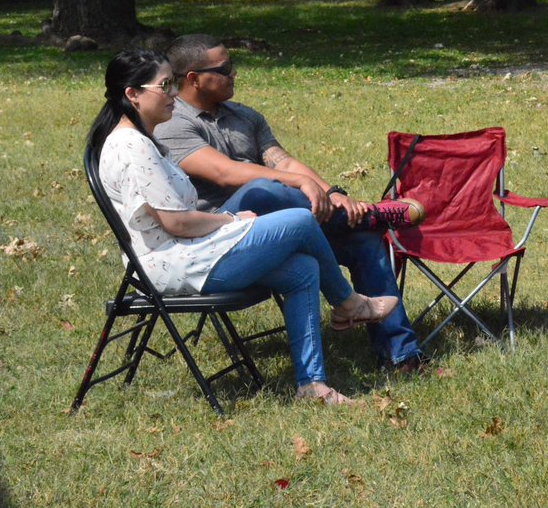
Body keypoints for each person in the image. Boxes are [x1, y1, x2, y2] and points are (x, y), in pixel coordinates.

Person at [90, 49, 399, 406]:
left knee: (302, 269)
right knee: (298, 220)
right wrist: (232, 220)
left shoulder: (143, 140)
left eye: (173, 84)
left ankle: (312, 386)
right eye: (165, 86)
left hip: (190, 252)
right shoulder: (131, 147)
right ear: (133, 93)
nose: (174, 93)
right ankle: (348, 303)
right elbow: (176, 222)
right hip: (174, 264)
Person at [153, 34, 424, 374]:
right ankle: (370, 217)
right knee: (263, 190)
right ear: (193, 78)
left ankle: (401, 357)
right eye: (225, 68)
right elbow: (224, 173)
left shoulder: (245, 117)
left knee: (363, 241)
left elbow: (284, 162)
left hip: (280, 226)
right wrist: (300, 184)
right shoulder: (171, 122)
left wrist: (332, 193)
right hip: (220, 237)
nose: (234, 73)